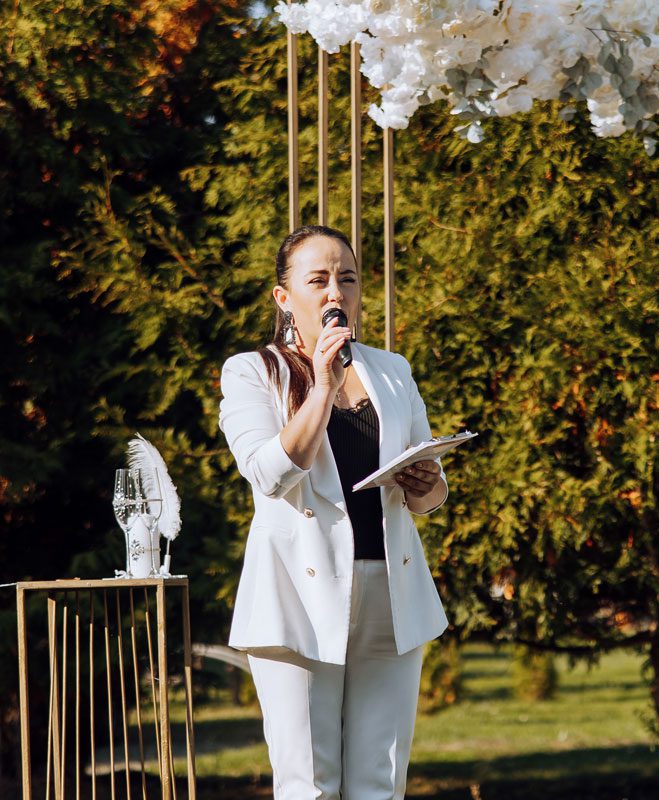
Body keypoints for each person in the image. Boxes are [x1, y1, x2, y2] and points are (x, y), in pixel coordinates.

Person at [217, 224, 450, 799]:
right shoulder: (251, 372)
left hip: (389, 591)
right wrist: (321, 385)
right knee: (309, 784)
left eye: (346, 279)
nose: (334, 293)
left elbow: (427, 497)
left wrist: (426, 480)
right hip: (296, 596)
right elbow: (270, 472)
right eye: (317, 280)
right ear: (284, 297)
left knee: (380, 781)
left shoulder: (392, 370)